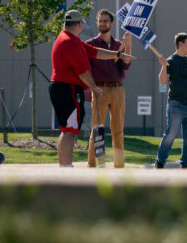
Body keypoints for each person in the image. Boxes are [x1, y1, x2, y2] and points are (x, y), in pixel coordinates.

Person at [49, 10, 133, 167]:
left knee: (66, 129)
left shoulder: (69, 38)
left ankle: (64, 166)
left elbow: (94, 52)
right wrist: (94, 87)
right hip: (68, 88)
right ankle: (67, 166)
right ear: (80, 24)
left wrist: (116, 54)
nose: (103, 24)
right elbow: (82, 71)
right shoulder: (70, 42)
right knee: (71, 130)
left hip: (63, 87)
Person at [86, 9, 133, 168]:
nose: (103, 23)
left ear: (112, 23)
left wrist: (128, 43)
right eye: (100, 21)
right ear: (97, 23)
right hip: (100, 90)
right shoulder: (90, 45)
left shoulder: (119, 44)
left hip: (118, 90)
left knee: (118, 130)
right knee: (97, 128)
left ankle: (119, 165)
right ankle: (94, 164)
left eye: (106, 21)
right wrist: (91, 87)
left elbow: (126, 65)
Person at [153, 33, 187, 169]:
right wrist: (163, 66)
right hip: (176, 106)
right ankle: (160, 161)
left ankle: (185, 163)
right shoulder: (170, 61)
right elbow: (162, 81)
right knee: (170, 135)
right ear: (180, 44)